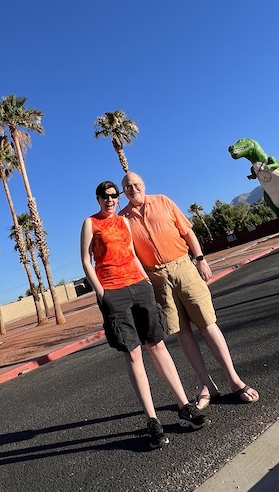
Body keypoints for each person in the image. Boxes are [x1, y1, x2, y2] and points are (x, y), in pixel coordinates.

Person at [80, 180, 207, 449]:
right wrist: (102, 293)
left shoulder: (124, 222)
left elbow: (133, 253)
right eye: (105, 196)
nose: (110, 200)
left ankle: (184, 407)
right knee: (134, 353)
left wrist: (146, 281)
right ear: (97, 199)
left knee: (157, 345)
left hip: (138, 286)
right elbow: (85, 261)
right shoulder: (90, 223)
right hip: (113, 291)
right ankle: (153, 421)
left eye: (114, 196)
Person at [119, 171, 259, 411]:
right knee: (182, 332)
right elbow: (129, 254)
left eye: (135, 184)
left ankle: (235, 380)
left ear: (143, 185)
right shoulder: (123, 219)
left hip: (183, 266)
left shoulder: (163, 201)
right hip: (156, 278)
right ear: (124, 192)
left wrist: (201, 259)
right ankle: (207, 386)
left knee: (207, 323)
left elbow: (187, 231)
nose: (132, 189)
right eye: (127, 186)